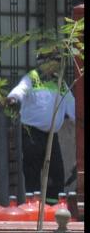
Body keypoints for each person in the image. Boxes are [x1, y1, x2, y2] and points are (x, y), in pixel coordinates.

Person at [7, 60, 76, 202]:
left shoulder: (60, 83)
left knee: (56, 173)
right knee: (32, 173)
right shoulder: (32, 77)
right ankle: (33, 208)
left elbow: (72, 105)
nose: (53, 66)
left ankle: (52, 209)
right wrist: (13, 98)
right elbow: (21, 89)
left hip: (52, 136)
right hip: (32, 134)